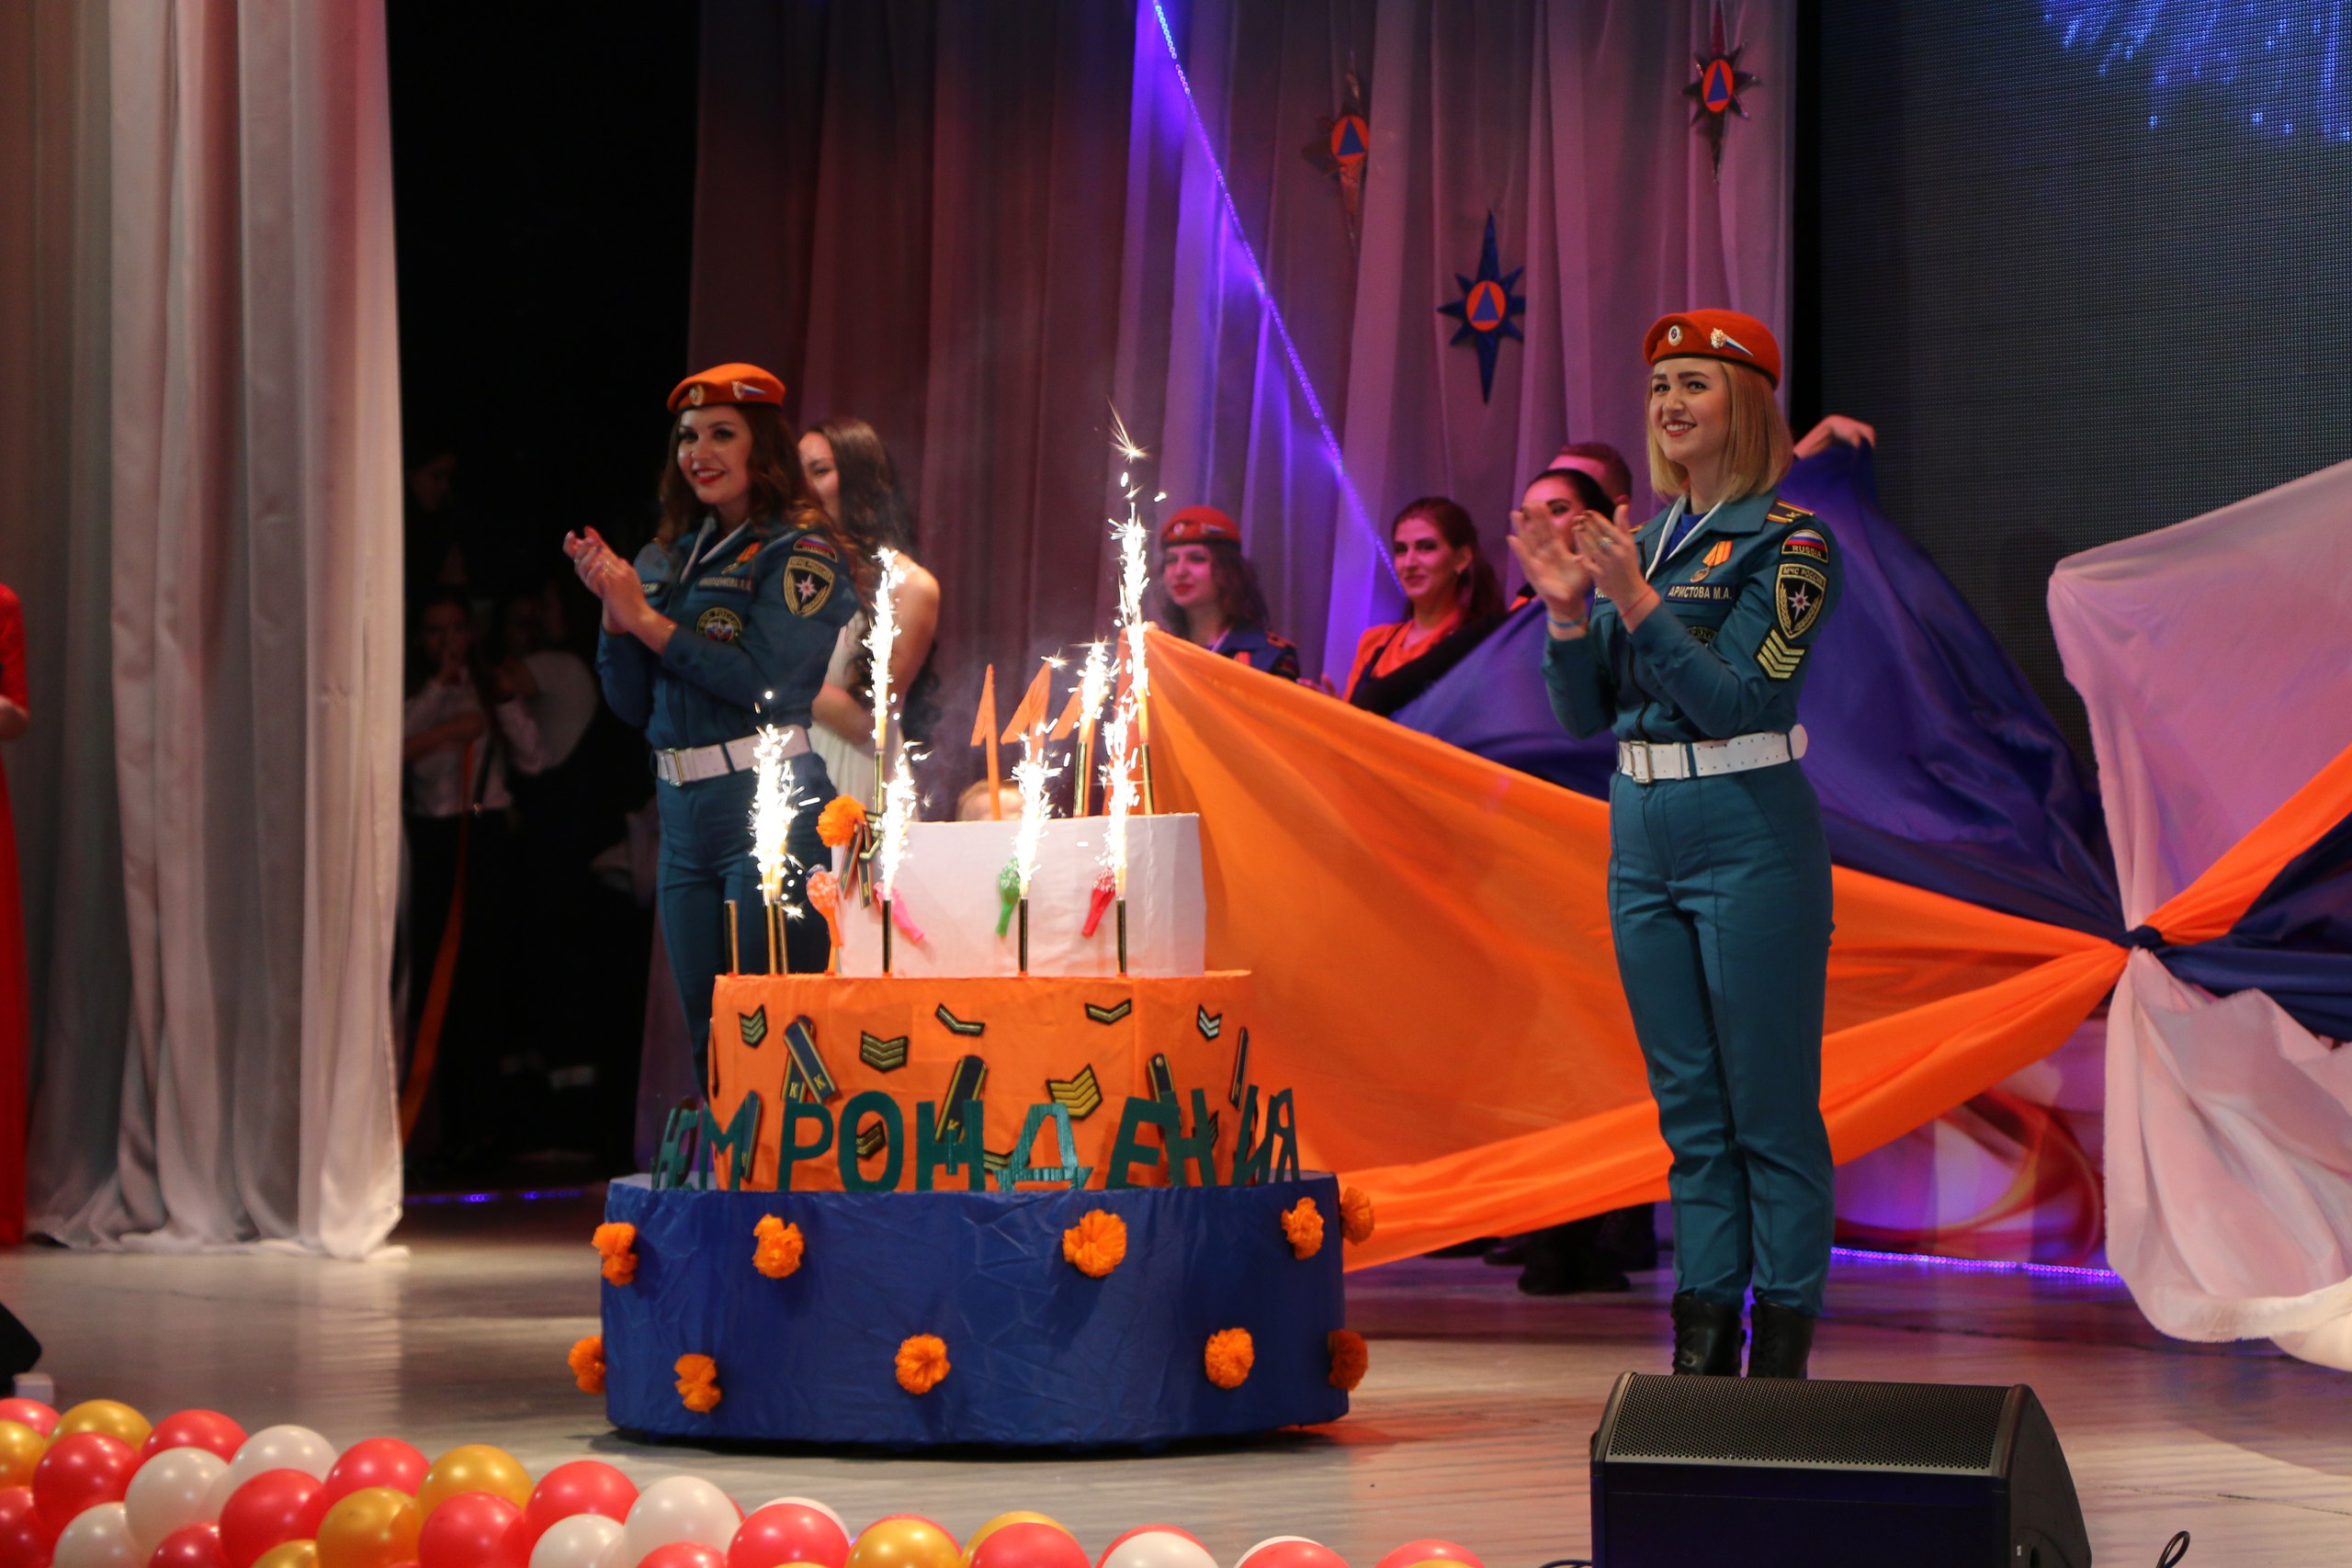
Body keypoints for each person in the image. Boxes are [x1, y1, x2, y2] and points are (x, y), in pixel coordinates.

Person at [1509, 309, 1839, 1380]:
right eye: (1659, 386)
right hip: (1641, 830)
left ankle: (1778, 1352)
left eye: (1694, 383)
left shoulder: (1790, 543)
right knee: (1689, 1110)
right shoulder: (1639, 544)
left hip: (1746, 826)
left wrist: (1635, 601)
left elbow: (1736, 699)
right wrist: (1568, 616)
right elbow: (1582, 715)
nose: (1669, 404)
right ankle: (1700, 1348)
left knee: (1767, 1109)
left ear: (1745, 404)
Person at [565, 363, 858, 1099]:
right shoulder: (666, 554)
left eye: (722, 434)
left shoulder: (803, 550)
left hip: (768, 803)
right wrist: (614, 617)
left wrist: (647, 621)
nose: (699, 452)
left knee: (775, 1016)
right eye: (688, 437)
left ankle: (797, 1168)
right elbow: (630, 705)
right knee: (711, 1026)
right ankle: (733, 1164)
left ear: (763, 447)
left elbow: (766, 680)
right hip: (682, 815)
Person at [401, 588, 544, 1168]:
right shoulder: (416, 694)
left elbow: (533, 757)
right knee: (439, 979)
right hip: (433, 839)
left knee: (487, 978)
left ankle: (491, 1124)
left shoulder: (488, 687)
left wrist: (502, 702)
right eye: (436, 631)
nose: (449, 642)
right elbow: (393, 746)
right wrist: (441, 696)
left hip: (484, 836)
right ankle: (445, 1126)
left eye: (457, 629)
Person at [797, 417, 942, 808]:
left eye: (820, 471)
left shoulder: (908, 585)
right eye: (796, 475)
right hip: (780, 773)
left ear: (859, 480)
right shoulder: (781, 572)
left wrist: (768, 669)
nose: (803, 487)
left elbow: (865, 721)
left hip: (853, 778)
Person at [1342, 497, 1506, 716]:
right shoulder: (1374, 642)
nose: (1409, 563)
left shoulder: (1479, 643)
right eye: (1401, 550)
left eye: (1426, 547)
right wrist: (1330, 711)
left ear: (1462, 559)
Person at [1157, 504, 1301, 678]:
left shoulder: (1270, 656)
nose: (1179, 571)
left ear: (1228, 570)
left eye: (1197, 559)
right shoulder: (1157, 648)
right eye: (1171, 560)